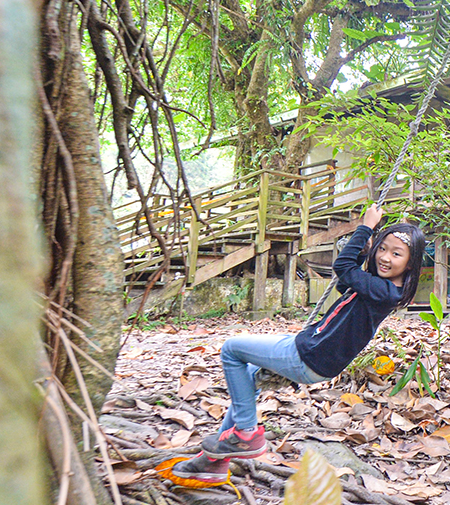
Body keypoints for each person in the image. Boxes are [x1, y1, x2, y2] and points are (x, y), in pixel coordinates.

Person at [173, 204, 425, 482]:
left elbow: (341, 266)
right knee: (245, 384)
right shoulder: (378, 287)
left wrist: (365, 226)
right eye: (382, 249)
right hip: (311, 351)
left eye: (396, 253)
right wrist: (364, 249)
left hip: (308, 355)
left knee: (231, 349)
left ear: (411, 263)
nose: (385, 257)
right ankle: (214, 462)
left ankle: (246, 434)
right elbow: (344, 282)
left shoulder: (385, 291)